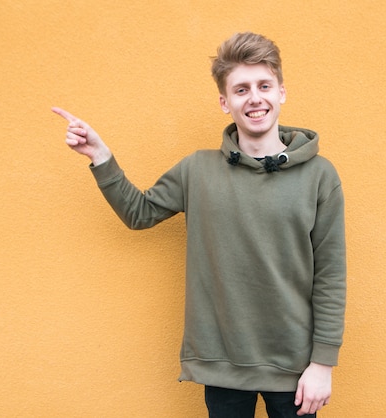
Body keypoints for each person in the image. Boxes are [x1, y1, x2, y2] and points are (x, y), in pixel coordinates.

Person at [53, 32, 346, 418]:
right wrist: (100, 156)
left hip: (295, 369)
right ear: (225, 102)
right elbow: (139, 213)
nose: (254, 98)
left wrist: (323, 364)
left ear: (281, 93)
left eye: (264, 86)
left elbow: (330, 275)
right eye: (241, 89)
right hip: (220, 363)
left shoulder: (320, 176)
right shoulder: (197, 170)